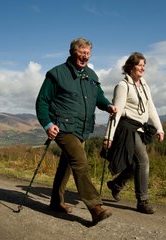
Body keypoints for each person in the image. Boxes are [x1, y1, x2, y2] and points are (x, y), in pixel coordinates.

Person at [35, 37, 116, 225]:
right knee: (80, 162)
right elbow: (42, 101)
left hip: (82, 129)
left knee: (67, 165)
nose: (85, 56)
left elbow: (99, 97)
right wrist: (47, 124)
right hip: (63, 127)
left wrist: (108, 106)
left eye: (88, 53)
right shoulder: (57, 74)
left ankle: (56, 202)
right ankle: (95, 207)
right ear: (72, 52)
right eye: (81, 52)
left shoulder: (92, 75)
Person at [103, 52, 164, 214]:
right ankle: (142, 201)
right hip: (126, 128)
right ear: (130, 67)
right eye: (139, 65)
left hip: (140, 128)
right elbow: (116, 112)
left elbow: (151, 107)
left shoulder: (144, 84)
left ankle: (116, 185)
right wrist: (109, 136)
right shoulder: (122, 86)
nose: (143, 68)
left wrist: (159, 128)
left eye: (144, 65)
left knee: (133, 163)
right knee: (143, 161)